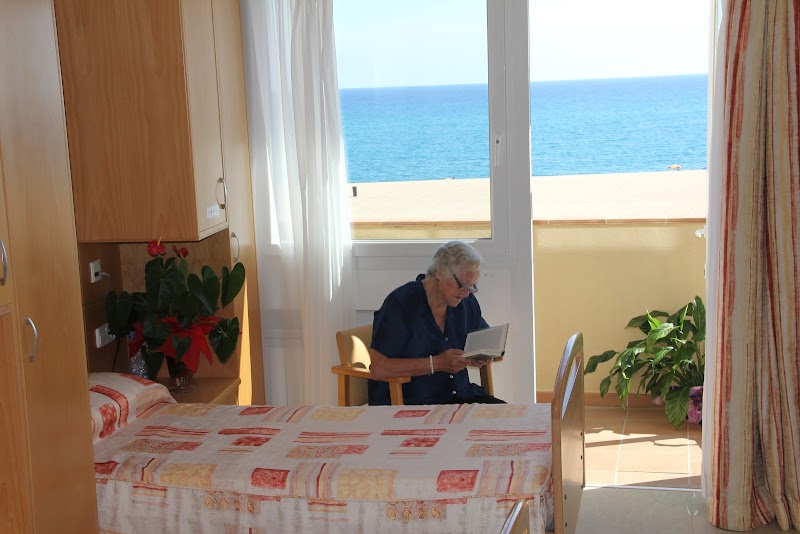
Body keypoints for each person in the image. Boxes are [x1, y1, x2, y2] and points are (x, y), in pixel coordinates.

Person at [368, 240, 506, 405]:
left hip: (461, 397)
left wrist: (481, 355)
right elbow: (379, 369)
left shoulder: (465, 302)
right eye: (462, 285)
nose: (466, 293)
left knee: (512, 418)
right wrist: (437, 363)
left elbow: (482, 340)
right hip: (413, 403)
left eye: (472, 287)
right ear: (439, 273)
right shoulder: (401, 303)